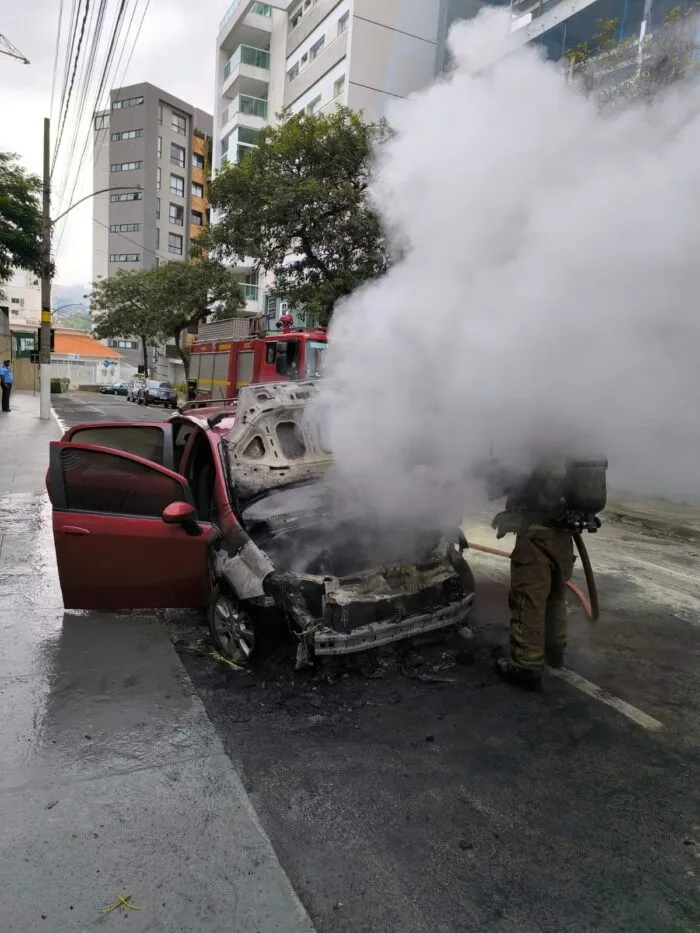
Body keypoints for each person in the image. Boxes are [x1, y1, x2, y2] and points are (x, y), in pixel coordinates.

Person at [481, 455, 607, 691]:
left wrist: (487, 465)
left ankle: (524, 667)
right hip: (562, 536)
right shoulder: (569, 450)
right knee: (555, 596)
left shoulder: (535, 451)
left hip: (536, 535)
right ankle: (554, 653)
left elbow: (503, 483)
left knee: (529, 600)